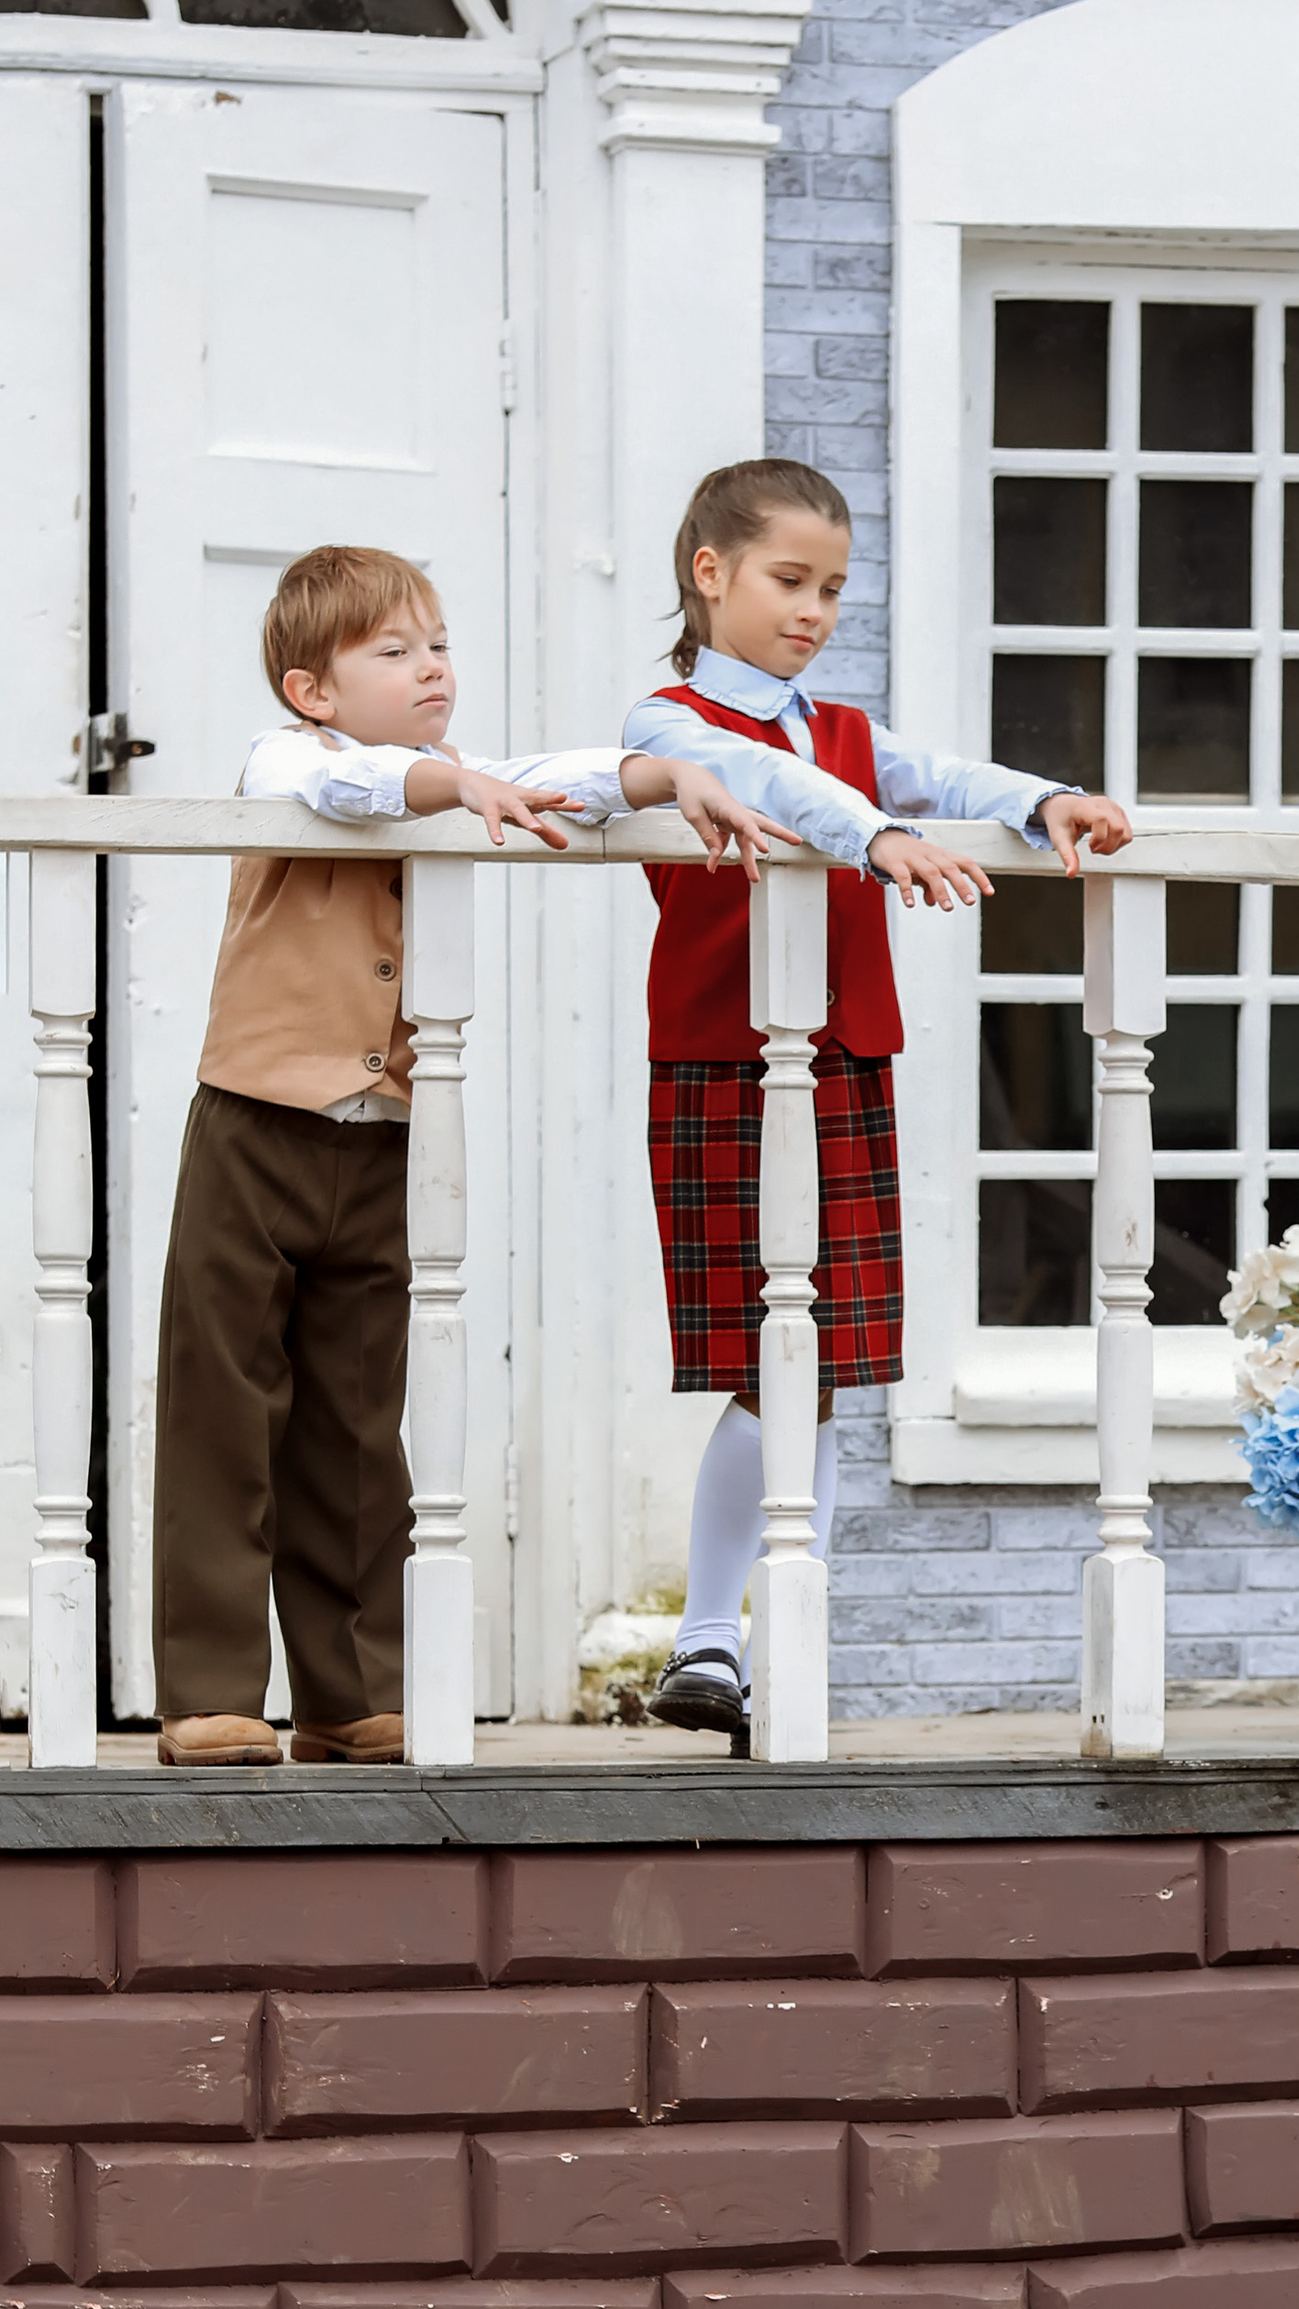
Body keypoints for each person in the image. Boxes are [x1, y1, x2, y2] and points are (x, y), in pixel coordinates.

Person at [155, 542, 783, 1770]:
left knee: (353, 1427)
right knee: (224, 1411)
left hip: (385, 1142)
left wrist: (661, 773)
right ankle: (211, 1690)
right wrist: (453, 787)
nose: (432, 665)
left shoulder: (455, 773)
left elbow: (560, 777)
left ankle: (351, 1691)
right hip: (254, 1127)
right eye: (393, 650)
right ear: (311, 690)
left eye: (438, 643)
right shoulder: (287, 761)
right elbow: (358, 793)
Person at [620, 459, 1134, 1743]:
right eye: (790, 580)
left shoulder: (847, 729)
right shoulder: (665, 721)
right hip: (718, 1062)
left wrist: (1042, 798)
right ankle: (709, 1634)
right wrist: (876, 840)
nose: (815, 609)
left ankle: (759, 1635)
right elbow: (790, 795)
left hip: (843, 1059)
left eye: (834, 588)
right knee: (759, 1351)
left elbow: (936, 773)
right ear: (710, 573)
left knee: (828, 1367)